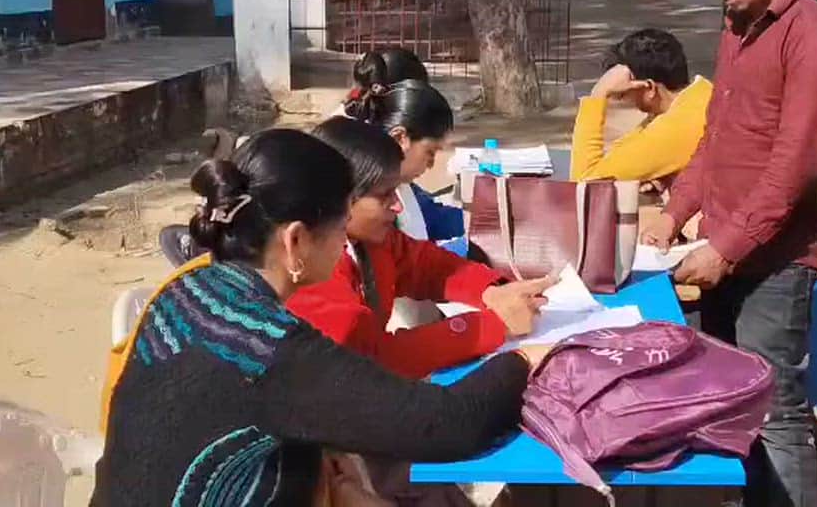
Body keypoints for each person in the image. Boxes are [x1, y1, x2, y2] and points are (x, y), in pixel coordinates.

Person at [92, 129, 547, 506]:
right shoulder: (271, 347)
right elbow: (449, 425)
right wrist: (527, 362)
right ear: (295, 242)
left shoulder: (187, 290)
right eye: (340, 223)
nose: (346, 236)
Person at [642, 0, 817, 507]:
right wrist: (677, 211)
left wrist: (729, 247)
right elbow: (717, 134)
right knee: (730, 400)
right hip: (721, 249)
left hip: (774, 261)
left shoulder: (815, 38)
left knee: (777, 413)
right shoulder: (738, 26)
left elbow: (799, 167)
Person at [286, 116, 554, 379]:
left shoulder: (370, 239)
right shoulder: (312, 269)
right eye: (384, 196)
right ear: (340, 199)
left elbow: (426, 265)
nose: (398, 206)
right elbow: (370, 360)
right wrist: (493, 326)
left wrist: (491, 291)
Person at [570, 28, 713, 185]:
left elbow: (585, 182)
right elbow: (624, 152)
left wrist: (598, 94)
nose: (623, 99)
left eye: (623, 93)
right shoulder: (702, 94)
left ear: (650, 88)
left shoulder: (677, 126)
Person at [345, 78, 465, 242]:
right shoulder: (369, 202)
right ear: (400, 138)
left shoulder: (404, 188)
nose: (431, 165)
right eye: (430, 152)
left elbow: (433, 217)